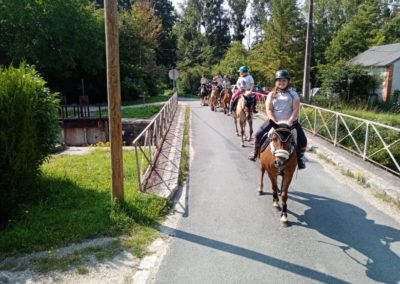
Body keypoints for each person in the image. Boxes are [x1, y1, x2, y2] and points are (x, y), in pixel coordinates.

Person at [248, 70, 307, 169]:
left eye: (284, 80)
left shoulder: (293, 94)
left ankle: (300, 159)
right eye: (279, 80)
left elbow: (296, 109)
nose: (282, 82)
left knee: (303, 140)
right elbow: (269, 109)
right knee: (258, 134)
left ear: (288, 81)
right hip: (275, 122)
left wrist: (289, 121)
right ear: (276, 82)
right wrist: (274, 121)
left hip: (291, 122)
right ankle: (255, 152)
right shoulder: (271, 94)